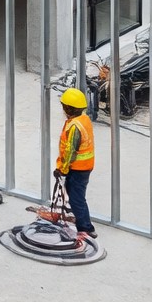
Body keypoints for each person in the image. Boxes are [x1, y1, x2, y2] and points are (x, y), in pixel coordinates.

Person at [55, 87, 96, 241]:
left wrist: (61, 169)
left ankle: (86, 228)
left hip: (77, 168)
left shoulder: (74, 127)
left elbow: (70, 152)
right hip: (85, 166)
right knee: (75, 195)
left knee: (76, 198)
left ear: (68, 108)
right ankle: (83, 223)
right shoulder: (83, 120)